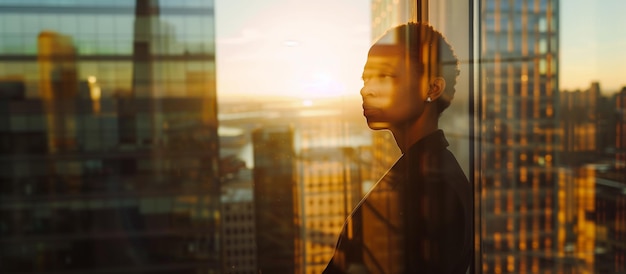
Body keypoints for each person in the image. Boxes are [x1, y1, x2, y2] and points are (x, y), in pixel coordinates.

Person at [323, 22, 472, 274]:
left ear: (432, 89)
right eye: (366, 78)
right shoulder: (423, 171)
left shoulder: (432, 186)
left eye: (385, 76)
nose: (366, 89)